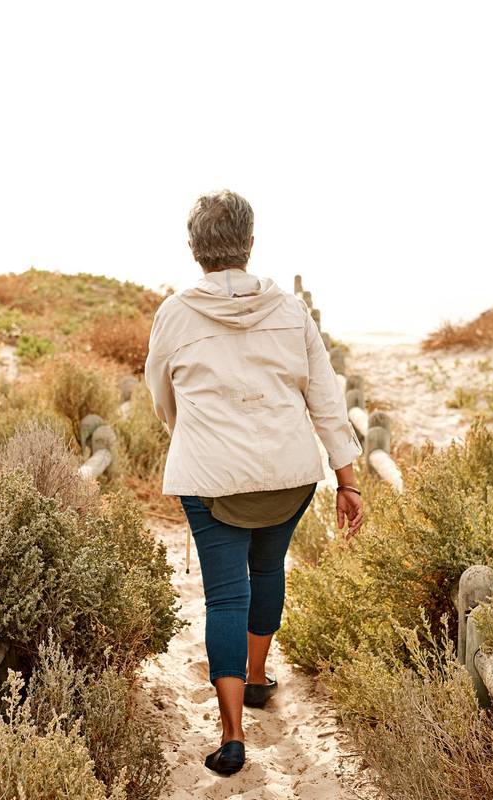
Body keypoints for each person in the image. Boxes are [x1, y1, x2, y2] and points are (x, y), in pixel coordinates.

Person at [144, 189, 365, 776]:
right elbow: (325, 397)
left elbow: (161, 398)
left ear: (194, 249)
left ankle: (232, 734)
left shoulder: (174, 313)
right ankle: (260, 676)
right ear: (249, 243)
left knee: (224, 596)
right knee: (267, 571)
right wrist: (348, 481)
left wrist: (193, 433)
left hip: (211, 476)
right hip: (290, 475)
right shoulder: (291, 311)